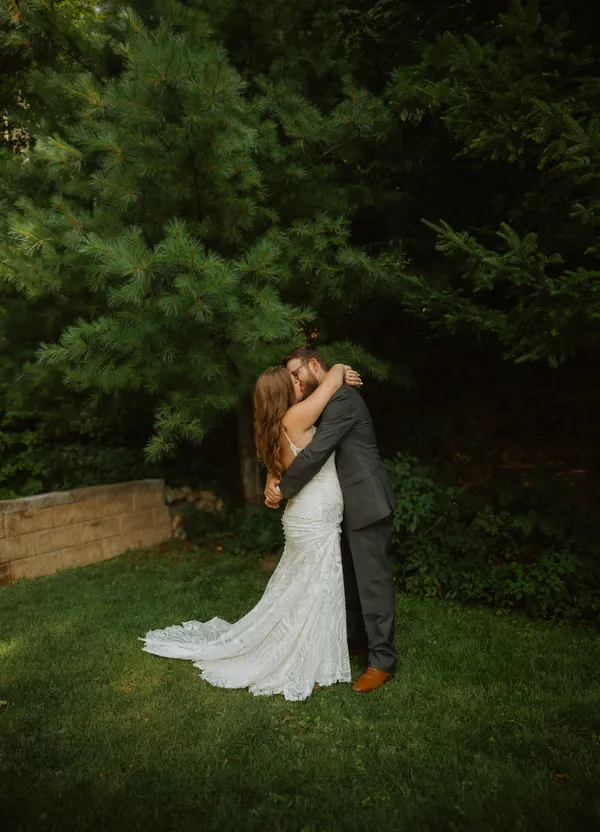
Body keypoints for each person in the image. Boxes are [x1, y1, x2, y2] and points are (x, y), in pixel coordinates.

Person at [140, 361, 362, 701]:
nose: (298, 379)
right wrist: (339, 369)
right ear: (283, 393)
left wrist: (274, 481)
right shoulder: (296, 417)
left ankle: (316, 655)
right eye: (292, 379)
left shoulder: (277, 425)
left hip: (308, 516)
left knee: (307, 591)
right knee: (314, 590)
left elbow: (283, 466)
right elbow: (330, 385)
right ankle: (307, 660)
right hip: (314, 517)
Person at [264, 345, 397, 693]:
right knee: (351, 581)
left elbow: (314, 454)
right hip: (340, 509)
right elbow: (289, 441)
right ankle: (356, 642)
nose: (295, 381)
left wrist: (282, 488)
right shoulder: (324, 399)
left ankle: (383, 661)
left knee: (373, 582)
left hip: (366, 502)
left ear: (312, 365)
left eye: (296, 374)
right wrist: (272, 474)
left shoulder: (342, 401)